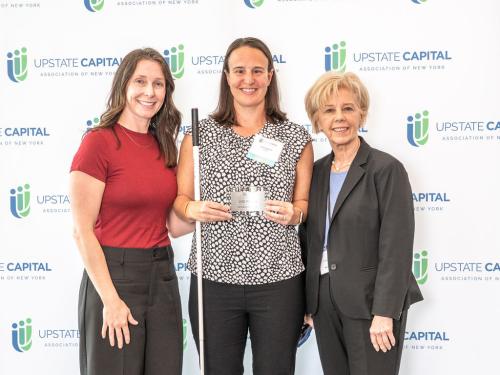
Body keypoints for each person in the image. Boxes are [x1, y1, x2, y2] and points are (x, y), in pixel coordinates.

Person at [174, 37, 313, 375]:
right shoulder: (199, 135)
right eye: (239, 71)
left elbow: (303, 204)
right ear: (226, 75)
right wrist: (193, 210)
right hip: (214, 279)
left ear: (270, 76)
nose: (247, 79)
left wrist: (295, 213)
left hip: (279, 280)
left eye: (256, 71)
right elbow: (180, 201)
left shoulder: (296, 137)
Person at [70, 48, 189, 375]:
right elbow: (82, 230)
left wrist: (205, 206)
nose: (150, 92)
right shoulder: (99, 142)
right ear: (123, 84)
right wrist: (110, 299)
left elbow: (175, 226)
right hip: (114, 276)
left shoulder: (164, 145)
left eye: (159, 84)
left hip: (162, 275)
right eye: (141, 81)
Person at [300, 71, 423, 375]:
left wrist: (385, 311)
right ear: (317, 120)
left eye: (348, 108)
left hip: (371, 304)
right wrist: (309, 302)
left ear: (362, 114)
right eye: (329, 110)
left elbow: (396, 246)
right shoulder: (313, 173)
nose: (339, 118)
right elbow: (307, 239)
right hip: (324, 302)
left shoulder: (386, 169)